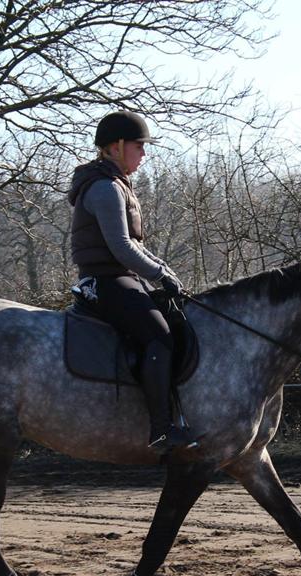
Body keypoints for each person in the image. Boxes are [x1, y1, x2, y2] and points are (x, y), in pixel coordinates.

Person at [67, 110, 199, 453]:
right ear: (116, 146)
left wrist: (164, 271)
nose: (144, 153)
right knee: (160, 335)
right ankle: (160, 430)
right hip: (106, 280)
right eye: (139, 146)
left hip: (120, 277)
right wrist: (159, 274)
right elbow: (122, 247)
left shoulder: (116, 184)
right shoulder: (104, 188)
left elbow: (135, 246)